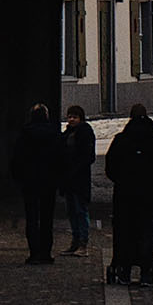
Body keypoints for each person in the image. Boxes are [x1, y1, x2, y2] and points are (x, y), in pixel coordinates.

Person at [103, 104, 153, 285]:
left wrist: (121, 179)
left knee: (124, 230)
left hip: (125, 193)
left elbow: (110, 166)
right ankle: (146, 270)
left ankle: (124, 269)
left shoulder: (121, 140)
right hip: (149, 192)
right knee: (147, 229)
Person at [11, 103, 61, 265]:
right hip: (49, 181)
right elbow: (61, 158)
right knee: (47, 218)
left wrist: (19, 178)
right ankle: (46, 252)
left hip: (30, 181)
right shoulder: (54, 134)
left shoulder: (25, 135)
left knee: (32, 218)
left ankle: (34, 253)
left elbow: (17, 159)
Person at [57, 105, 97, 256]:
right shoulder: (67, 134)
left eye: (74, 117)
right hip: (69, 179)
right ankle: (75, 241)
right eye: (69, 116)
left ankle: (82, 243)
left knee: (80, 210)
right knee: (72, 211)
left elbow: (88, 157)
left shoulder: (84, 132)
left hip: (78, 179)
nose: (72, 119)